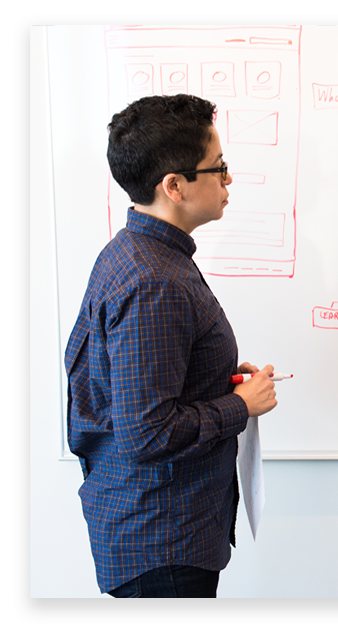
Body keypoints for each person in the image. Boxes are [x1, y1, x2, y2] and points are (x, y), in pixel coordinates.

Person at [64, 94, 279, 598]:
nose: (228, 180)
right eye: (219, 168)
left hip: (162, 535)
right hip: (161, 544)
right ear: (174, 186)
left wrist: (217, 382)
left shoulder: (144, 255)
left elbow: (146, 392)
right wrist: (238, 406)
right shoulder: (153, 281)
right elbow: (148, 432)